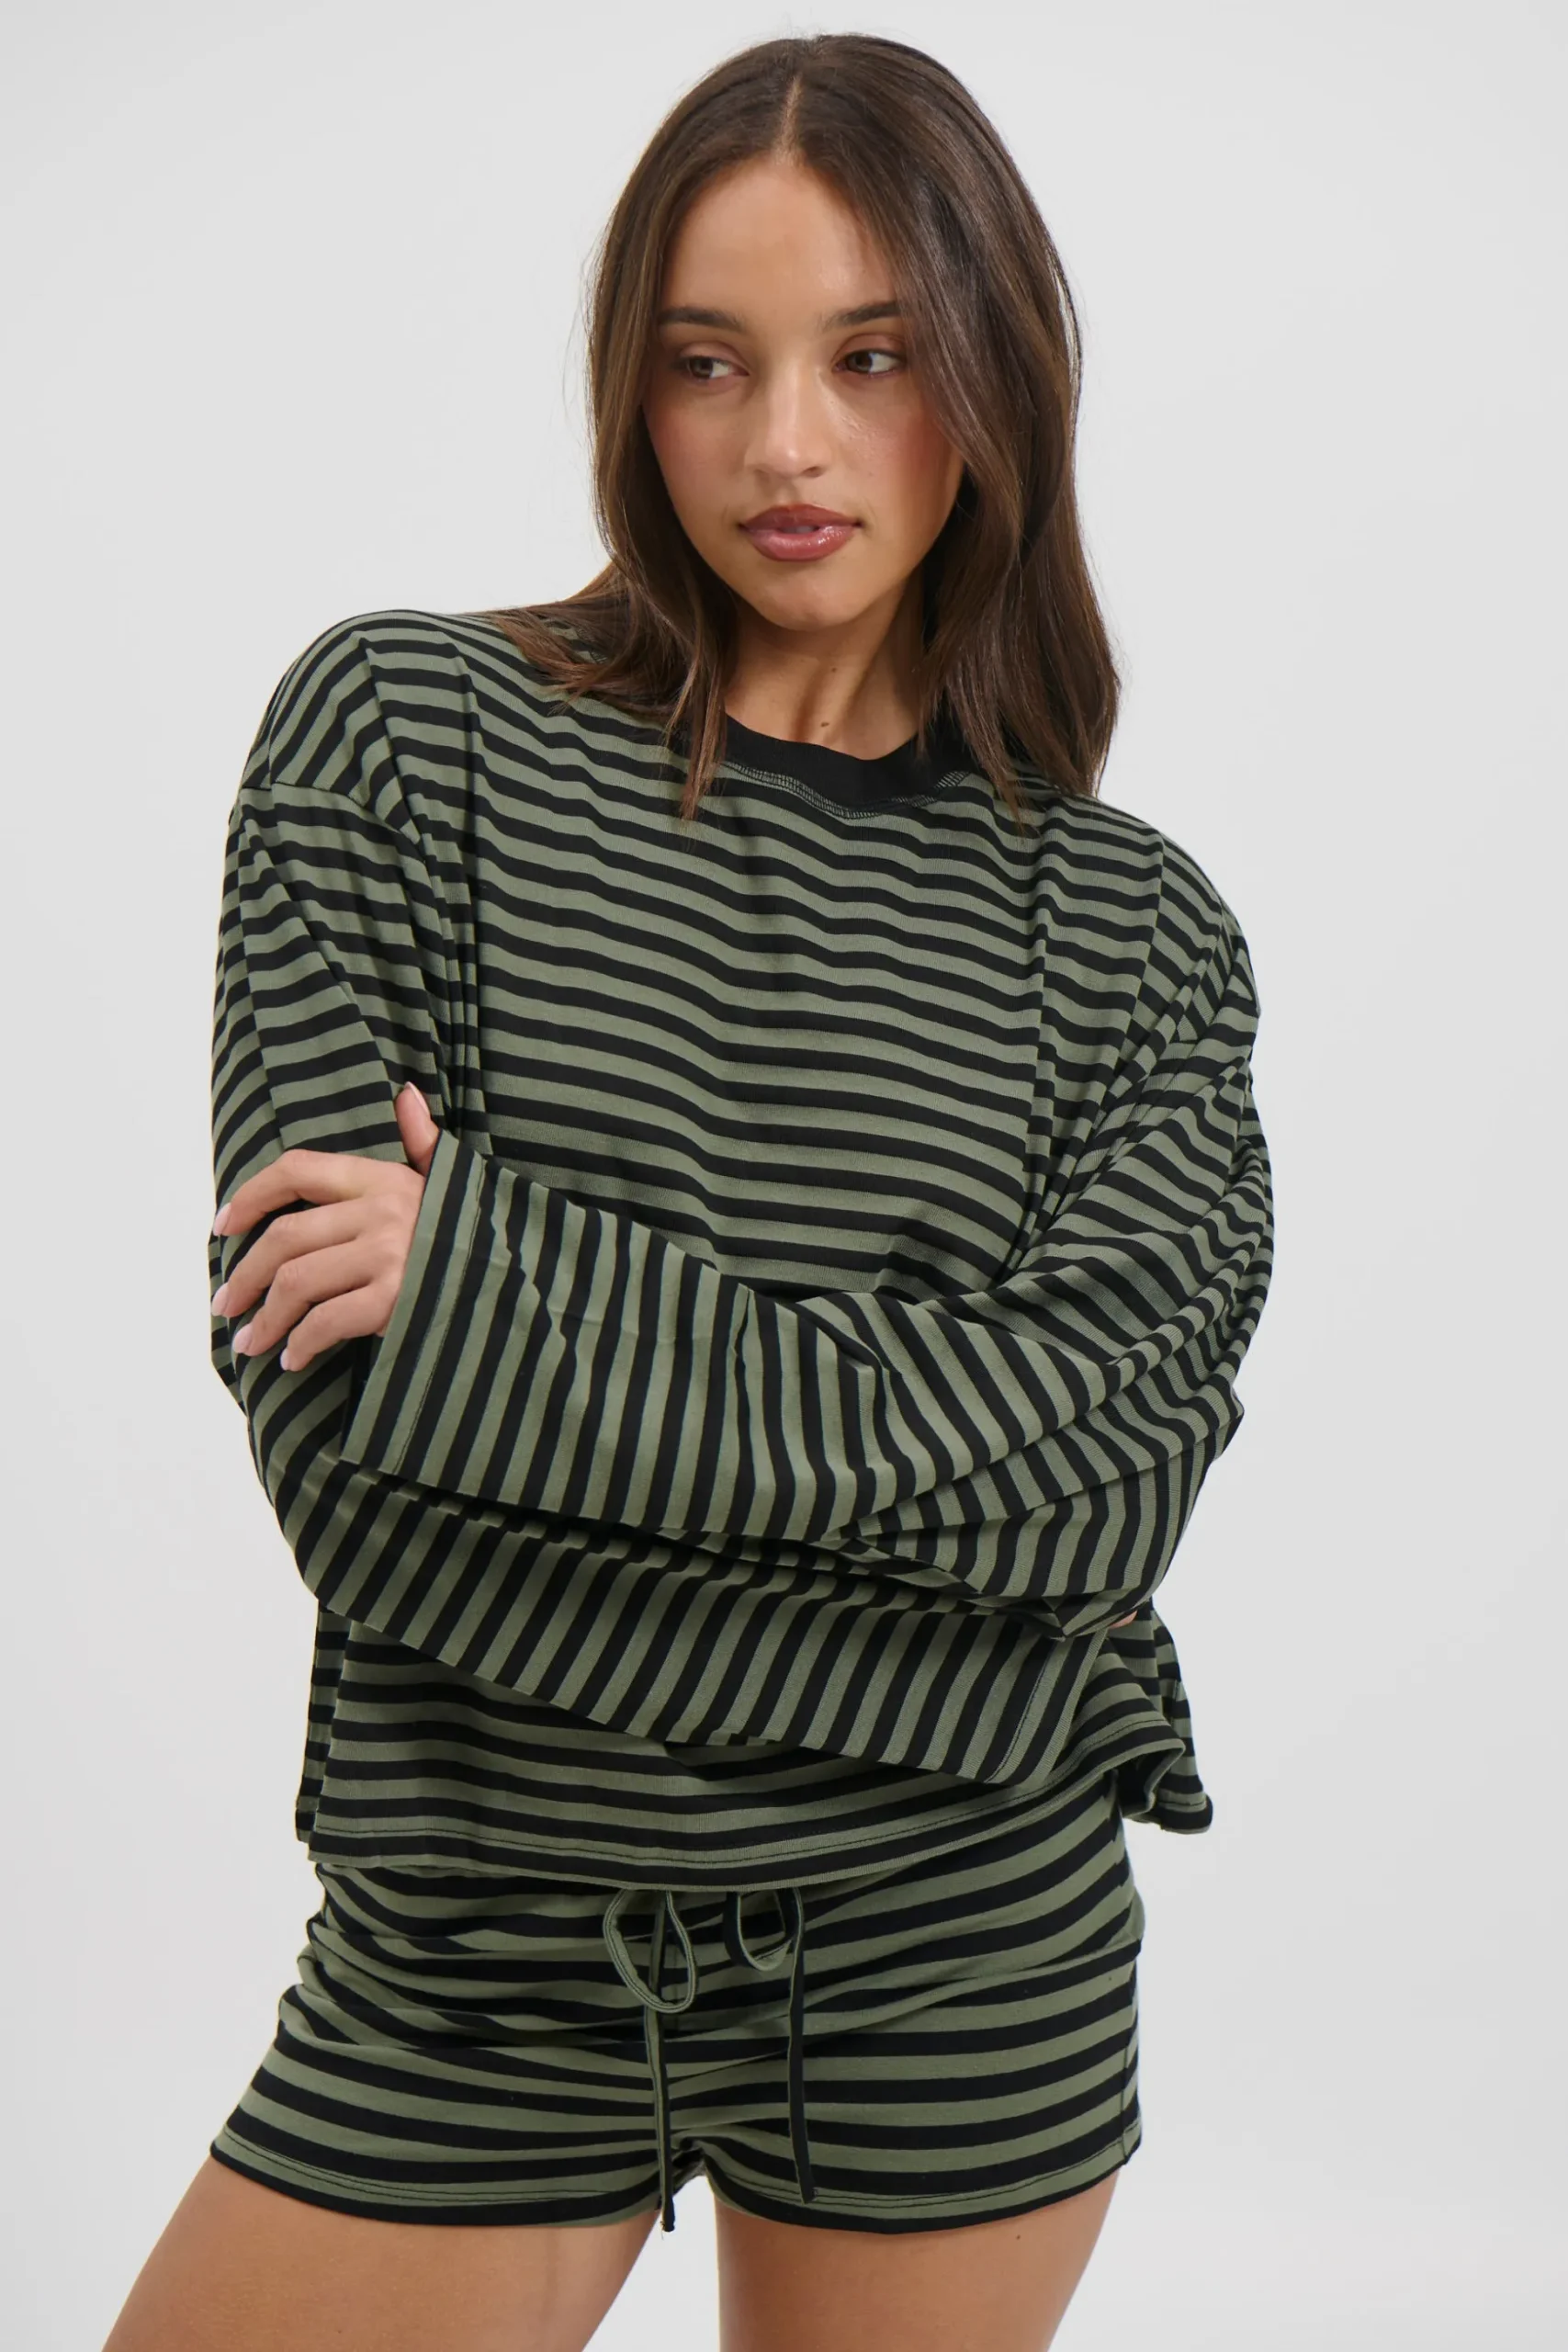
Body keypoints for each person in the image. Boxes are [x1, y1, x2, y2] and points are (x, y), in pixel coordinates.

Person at [105, 31, 1273, 2352]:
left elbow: (1105, 1491)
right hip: (482, 1947)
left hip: (965, 1952)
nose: (784, 446)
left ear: (996, 375)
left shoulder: (1135, 933)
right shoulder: (405, 744)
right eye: (705, 362)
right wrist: (935, 1603)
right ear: (628, 394)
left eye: (874, 356)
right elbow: (355, 1473)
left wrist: (489, 1293)